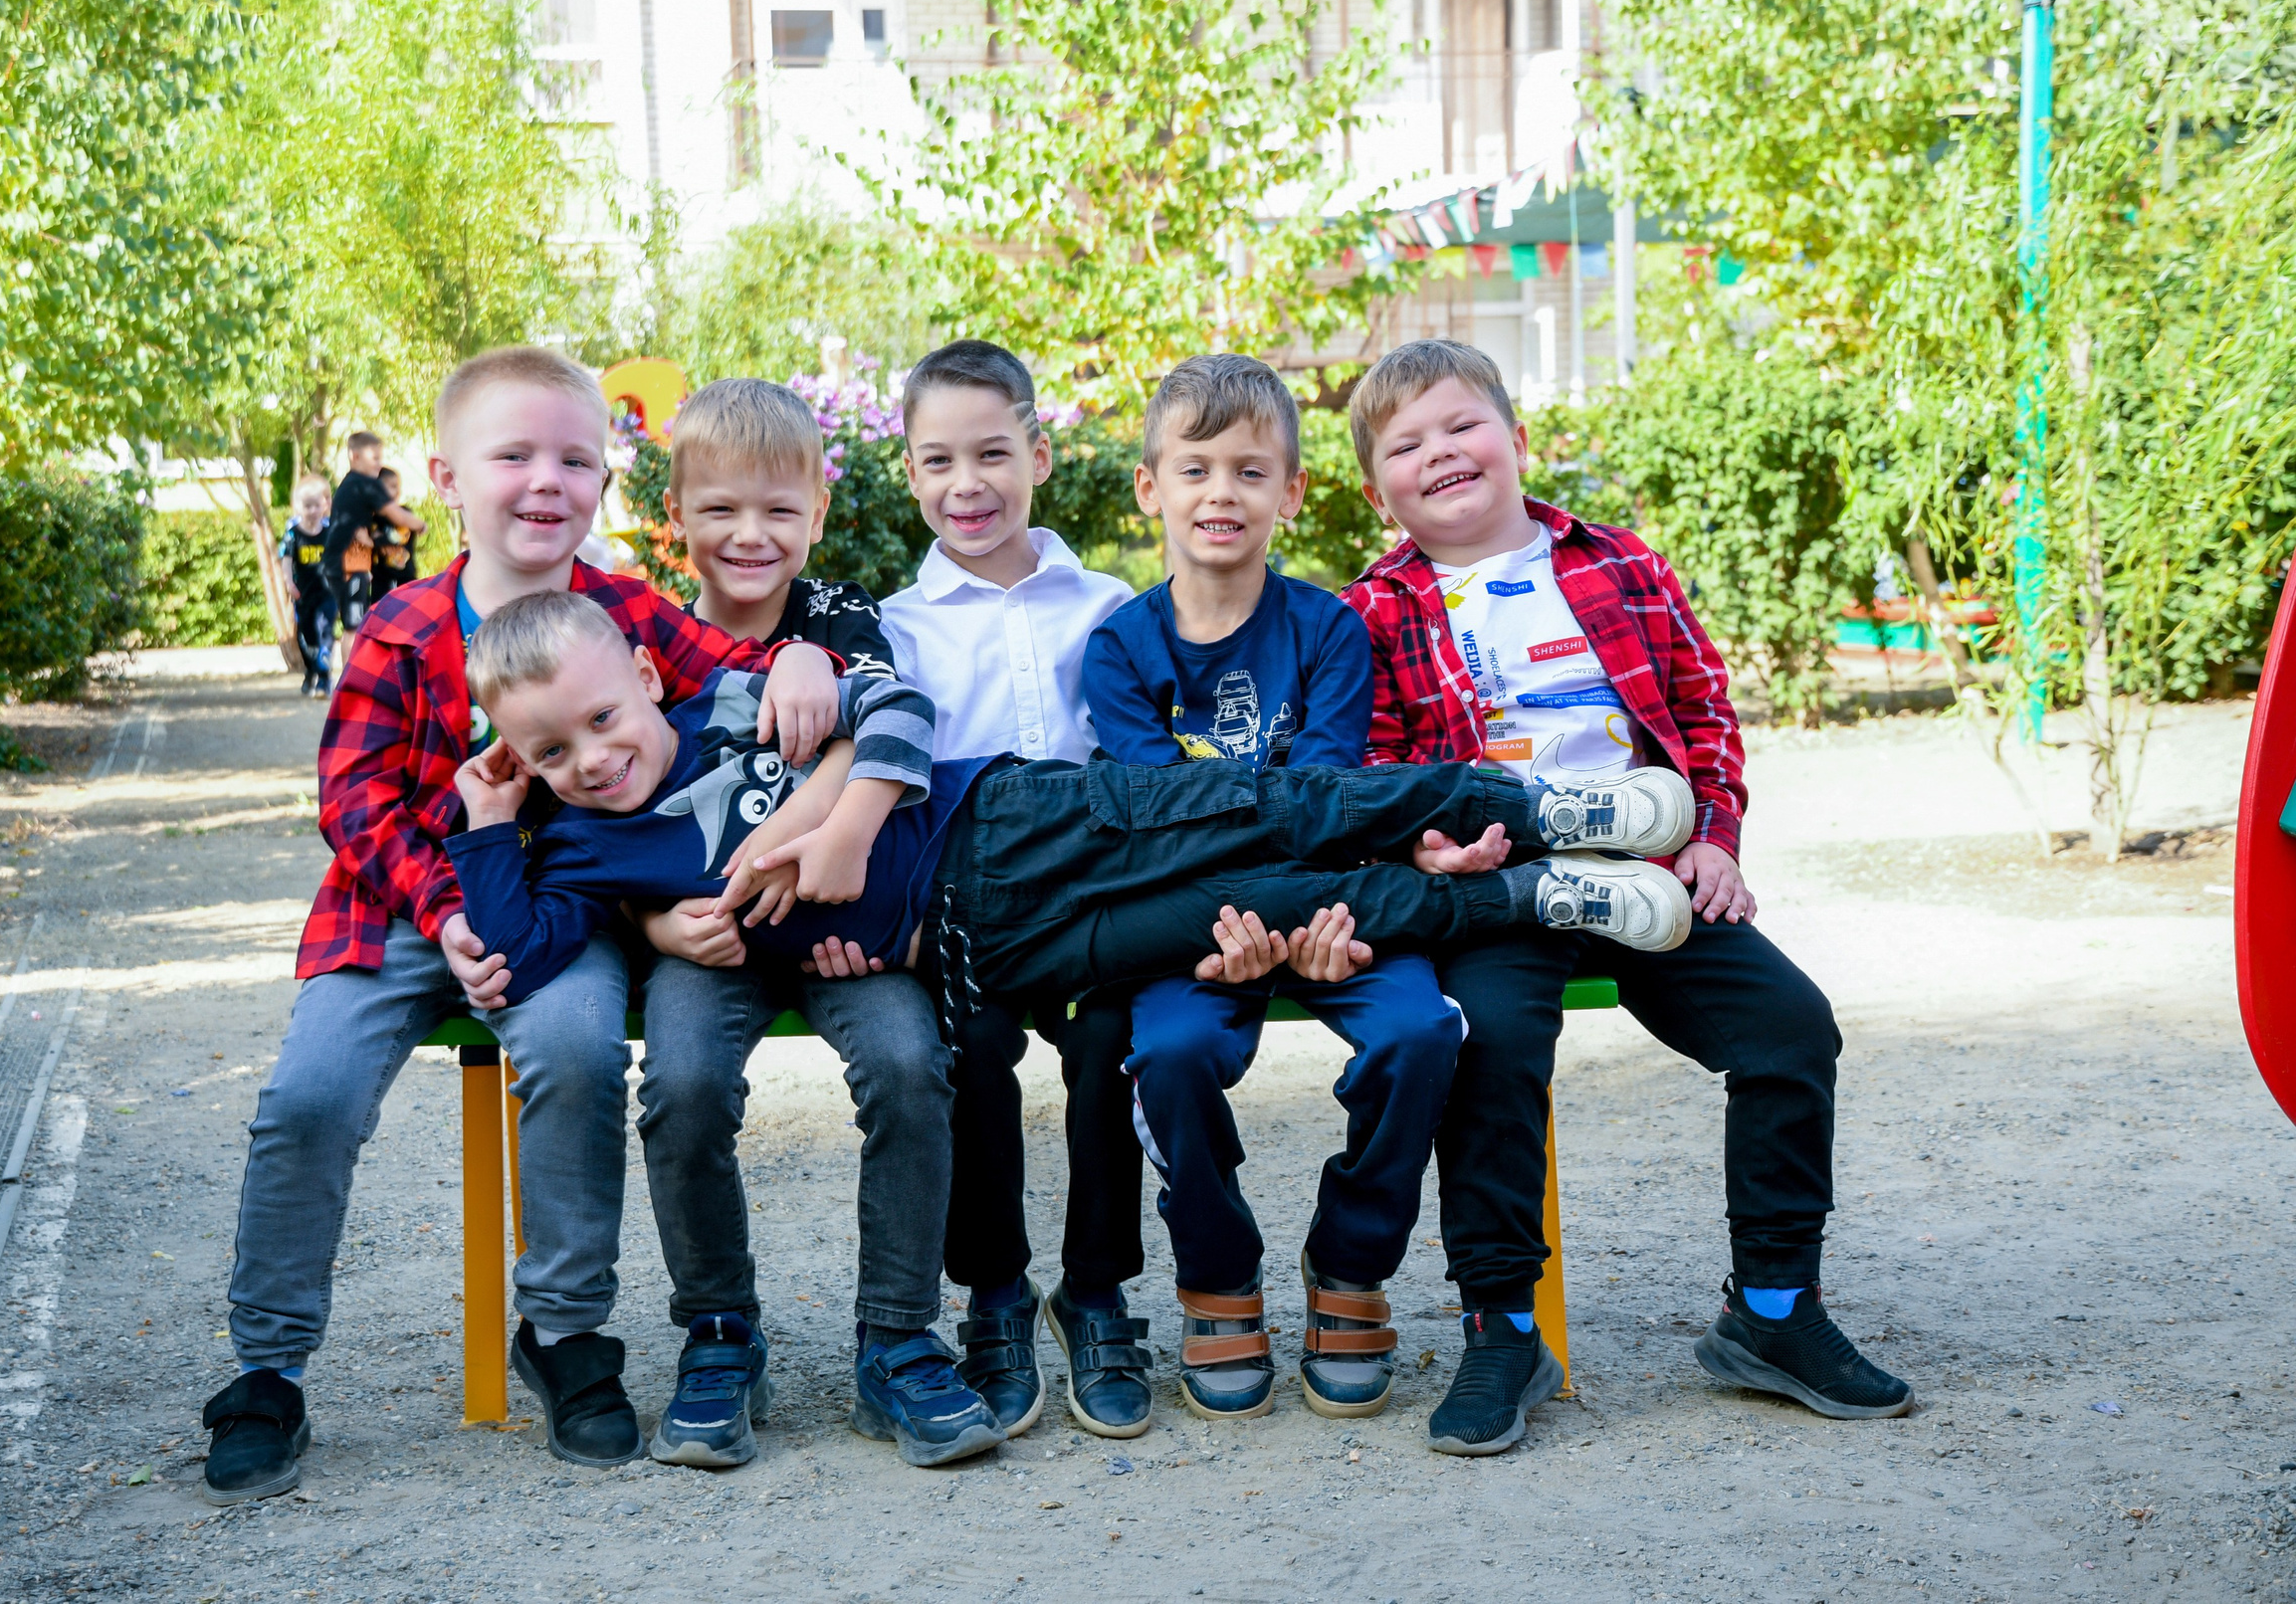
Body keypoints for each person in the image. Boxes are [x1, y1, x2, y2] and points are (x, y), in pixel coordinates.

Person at [436, 596, 1698, 1463]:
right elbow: (528, 950)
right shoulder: (584, 846)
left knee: (1261, 803)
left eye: (600, 721)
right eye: (545, 750)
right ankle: (1529, 892)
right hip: (990, 947)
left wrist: (836, 832)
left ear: (644, 681)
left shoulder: (742, 704)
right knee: (1244, 899)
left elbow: (903, 712)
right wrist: (488, 821)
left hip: (1008, 826)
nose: (589, 759)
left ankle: (1526, 804)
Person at [198, 347, 844, 1506]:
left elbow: (737, 664)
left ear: (602, 481)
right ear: (447, 476)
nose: (546, 481)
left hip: (558, 910)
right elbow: (352, 801)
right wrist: (444, 912)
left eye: (575, 460)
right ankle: (267, 1367)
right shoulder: (397, 632)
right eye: (514, 457)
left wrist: (800, 648)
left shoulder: (622, 611)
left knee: (580, 1050)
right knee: (310, 1093)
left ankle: (565, 1334)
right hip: (400, 906)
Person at [1338, 337, 1916, 1458]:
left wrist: (1710, 838)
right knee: (1490, 1049)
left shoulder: (1618, 565)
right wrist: (1433, 849)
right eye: (1407, 445)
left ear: (1514, 436)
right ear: (1379, 492)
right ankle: (1500, 1326)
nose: (1440, 453)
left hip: (1648, 872)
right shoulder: (1377, 610)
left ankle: (1774, 1311)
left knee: (1790, 1030)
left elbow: (1703, 713)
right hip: (1504, 884)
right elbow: (1378, 766)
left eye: (1461, 425)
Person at [1083, 354, 1682, 1424]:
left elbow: (1331, 800)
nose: (1221, 495)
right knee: (1168, 1053)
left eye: (1250, 472)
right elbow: (1155, 820)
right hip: (1198, 922)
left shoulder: (1328, 630)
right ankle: (1216, 1277)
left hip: (1335, 908)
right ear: (1149, 489)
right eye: (1195, 471)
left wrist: (1311, 920)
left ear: (1292, 492)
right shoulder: (1120, 648)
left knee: (1419, 1035)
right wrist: (1245, 921)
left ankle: (1348, 1266)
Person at [625, 378, 999, 1470]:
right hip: (713, 934)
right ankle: (718, 1333)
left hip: (845, 925)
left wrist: (828, 827)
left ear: (818, 516)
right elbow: (598, 800)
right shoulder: (642, 639)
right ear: (678, 515)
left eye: (780, 513)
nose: (752, 536)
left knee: (906, 1063)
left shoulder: (841, 619)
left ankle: (896, 1338)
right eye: (723, 511)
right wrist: (655, 926)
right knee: (683, 1084)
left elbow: (895, 724)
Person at [874, 340, 1147, 1441]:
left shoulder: (1112, 602)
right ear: (910, 474)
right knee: (968, 1052)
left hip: (1092, 900)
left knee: (1112, 1043)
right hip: (968, 910)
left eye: (992, 453)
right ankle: (992, 1294)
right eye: (937, 461)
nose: (967, 484)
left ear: (1038, 453)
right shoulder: (896, 625)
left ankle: (1096, 1289)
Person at [323, 432, 426, 635]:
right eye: (375, 458)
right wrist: (420, 524)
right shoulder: (366, 484)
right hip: (349, 562)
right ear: (355, 456)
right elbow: (398, 516)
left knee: (358, 623)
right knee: (354, 628)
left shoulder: (350, 483)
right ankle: (352, 668)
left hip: (348, 562)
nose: (379, 463)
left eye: (381, 458)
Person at [282, 479, 334, 696]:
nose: (313, 510)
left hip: (327, 593)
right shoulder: (293, 533)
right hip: (303, 594)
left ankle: (324, 678)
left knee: (325, 631)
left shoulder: (330, 530)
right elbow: (286, 559)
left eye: (316, 505)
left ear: (324, 505)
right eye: (307, 506)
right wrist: (288, 582)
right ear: (298, 507)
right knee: (307, 637)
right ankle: (311, 670)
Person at [370, 466, 428, 604]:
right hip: (380, 578)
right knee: (380, 613)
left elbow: (398, 537)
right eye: (392, 486)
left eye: (398, 486)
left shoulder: (404, 513)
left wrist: (377, 538)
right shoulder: (372, 517)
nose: (398, 491)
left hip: (405, 576)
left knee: (407, 612)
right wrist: (375, 538)